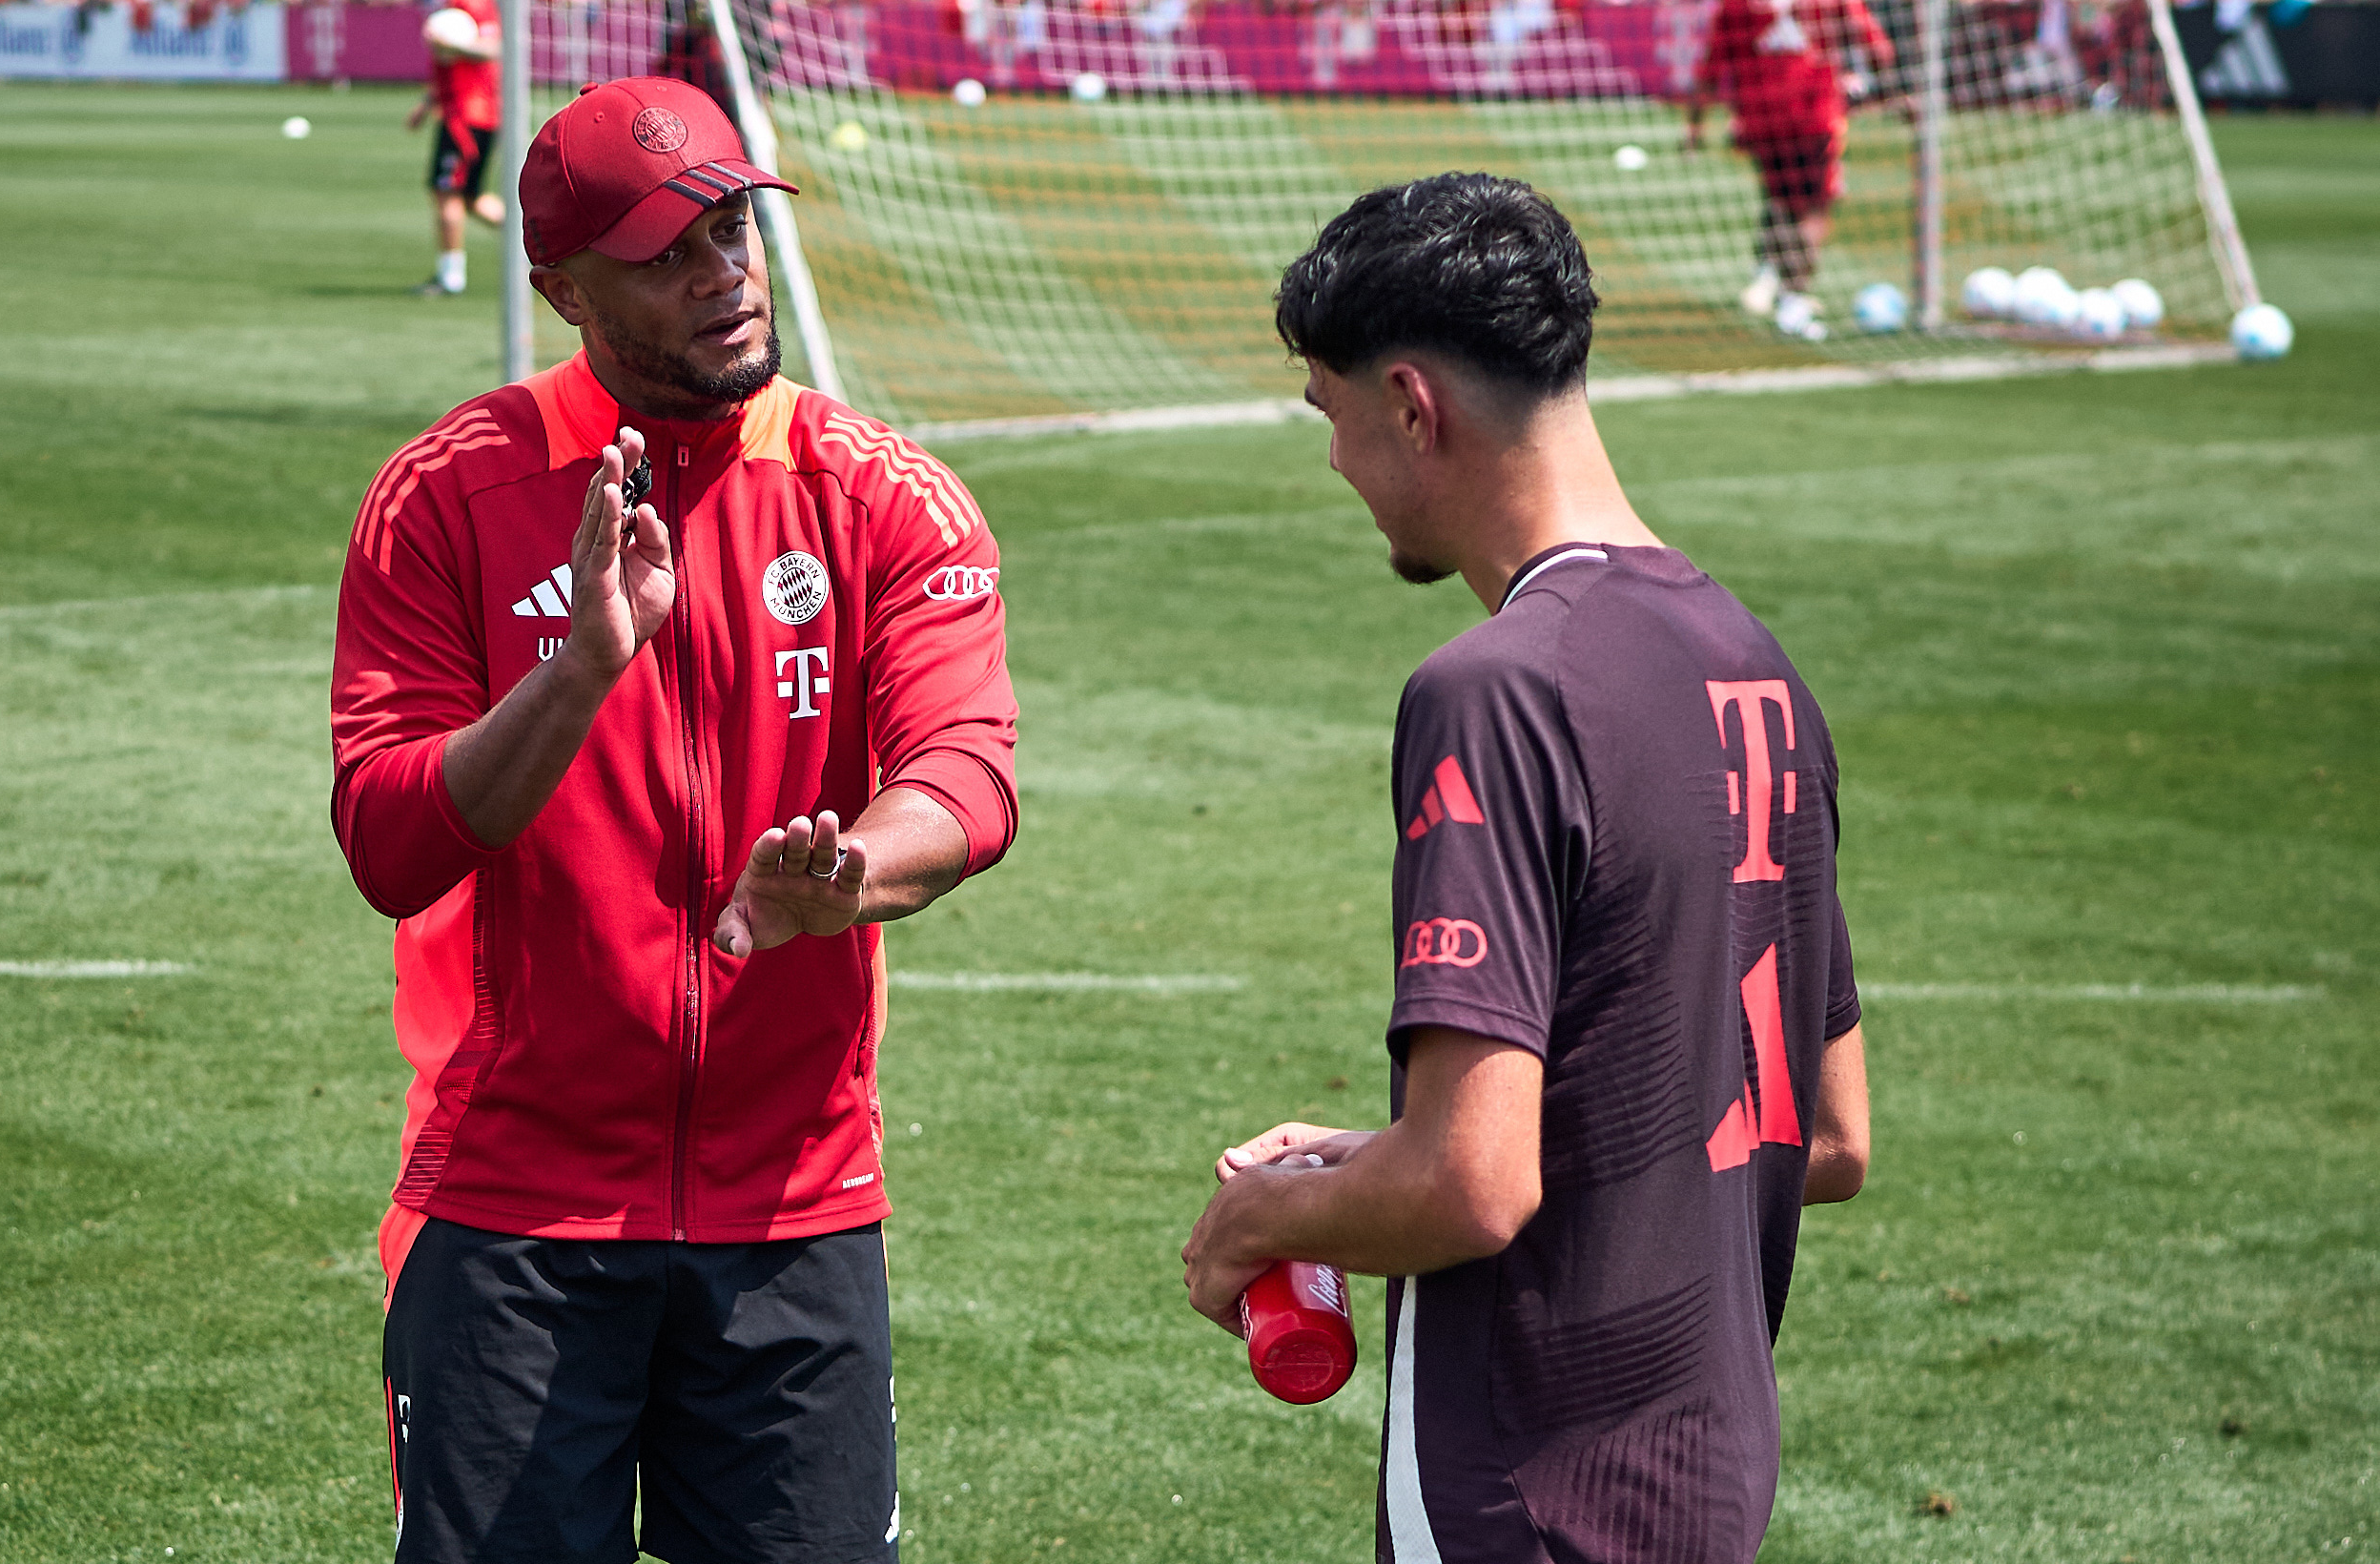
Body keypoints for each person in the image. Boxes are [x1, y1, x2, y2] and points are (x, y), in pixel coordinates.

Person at [331, 75, 1018, 1564]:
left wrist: (852, 878)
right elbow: (389, 843)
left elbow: (968, 773)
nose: (722, 274)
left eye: (733, 229)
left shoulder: (881, 496)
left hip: (796, 1212)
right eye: (667, 252)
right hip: (513, 1214)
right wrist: (578, 670)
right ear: (560, 288)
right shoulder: (446, 496)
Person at [1180, 174, 1869, 1563]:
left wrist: (1271, 1210)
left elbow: (1470, 1190)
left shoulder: (1495, 692)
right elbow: (1831, 1137)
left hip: (1524, 1491)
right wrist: (1361, 1154)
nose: (1333, 464)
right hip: (1706, 1472)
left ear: (1412, 405)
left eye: (1331, 415)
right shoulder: (1755, 662)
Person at [1685, 0, 1895, 340]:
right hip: (1816, 113)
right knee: (1814, 207)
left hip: (1762, 116)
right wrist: (1888, 91)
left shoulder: (1736, 6)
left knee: (1781, 200)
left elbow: (1711, 66)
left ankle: (1769, 276)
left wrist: (1695, 125)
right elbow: (1878, 47)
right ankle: (1793, 298)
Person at [406, 0, 503, 298]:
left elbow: (493, 49)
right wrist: (427, 104)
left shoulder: (476, 5)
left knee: (447, 192)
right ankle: (544, 241)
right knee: (471, 199)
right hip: (460, 114)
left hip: (470, 117)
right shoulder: (451, 6)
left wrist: (453, 43)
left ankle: (450, 278)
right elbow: (445, 69)